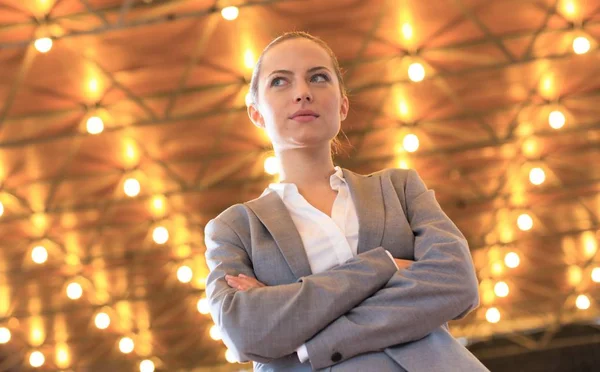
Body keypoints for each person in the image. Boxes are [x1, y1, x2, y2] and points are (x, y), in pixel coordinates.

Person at [204, 31, 489, 372]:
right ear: (256, 113)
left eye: (318, 77)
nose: (302, 93)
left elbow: (457, 283)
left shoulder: (399, 189)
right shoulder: (235, 229)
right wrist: (384, 266)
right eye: (280, 81)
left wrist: (311, 339)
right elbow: (244, 332)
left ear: (342, 104)